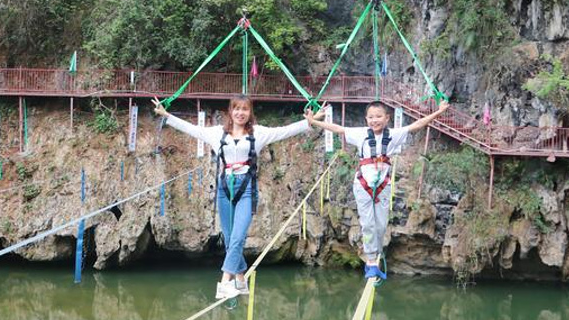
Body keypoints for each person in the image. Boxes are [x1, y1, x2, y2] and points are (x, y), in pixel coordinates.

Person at [152, 95, 324, 299]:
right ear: (230, 111)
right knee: (229, 237)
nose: (240, 113)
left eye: (245, 109)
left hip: (246, 189)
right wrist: (166, 115)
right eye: (237, 109)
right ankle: (241, 279)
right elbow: (192, 130)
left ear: (250, 113)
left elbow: (284, 132)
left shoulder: (258, 133)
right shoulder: (217, 133)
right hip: (225, 189)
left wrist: (309, 122)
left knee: (238, 237)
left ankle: (225, 282)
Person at [305, 100, 449, 282]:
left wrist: (439, 112)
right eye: (371, 117)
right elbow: (337, 129)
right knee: (368, 224)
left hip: (383, 185)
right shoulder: (360, 134)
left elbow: (417, 125)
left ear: (387, 118)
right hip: (363, 185)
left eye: (379, 116)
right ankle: (371, 262)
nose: (375, 120)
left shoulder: (393, 135)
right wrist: (314, 121)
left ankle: (377, 253)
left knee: (381, 224)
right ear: (366, 119)